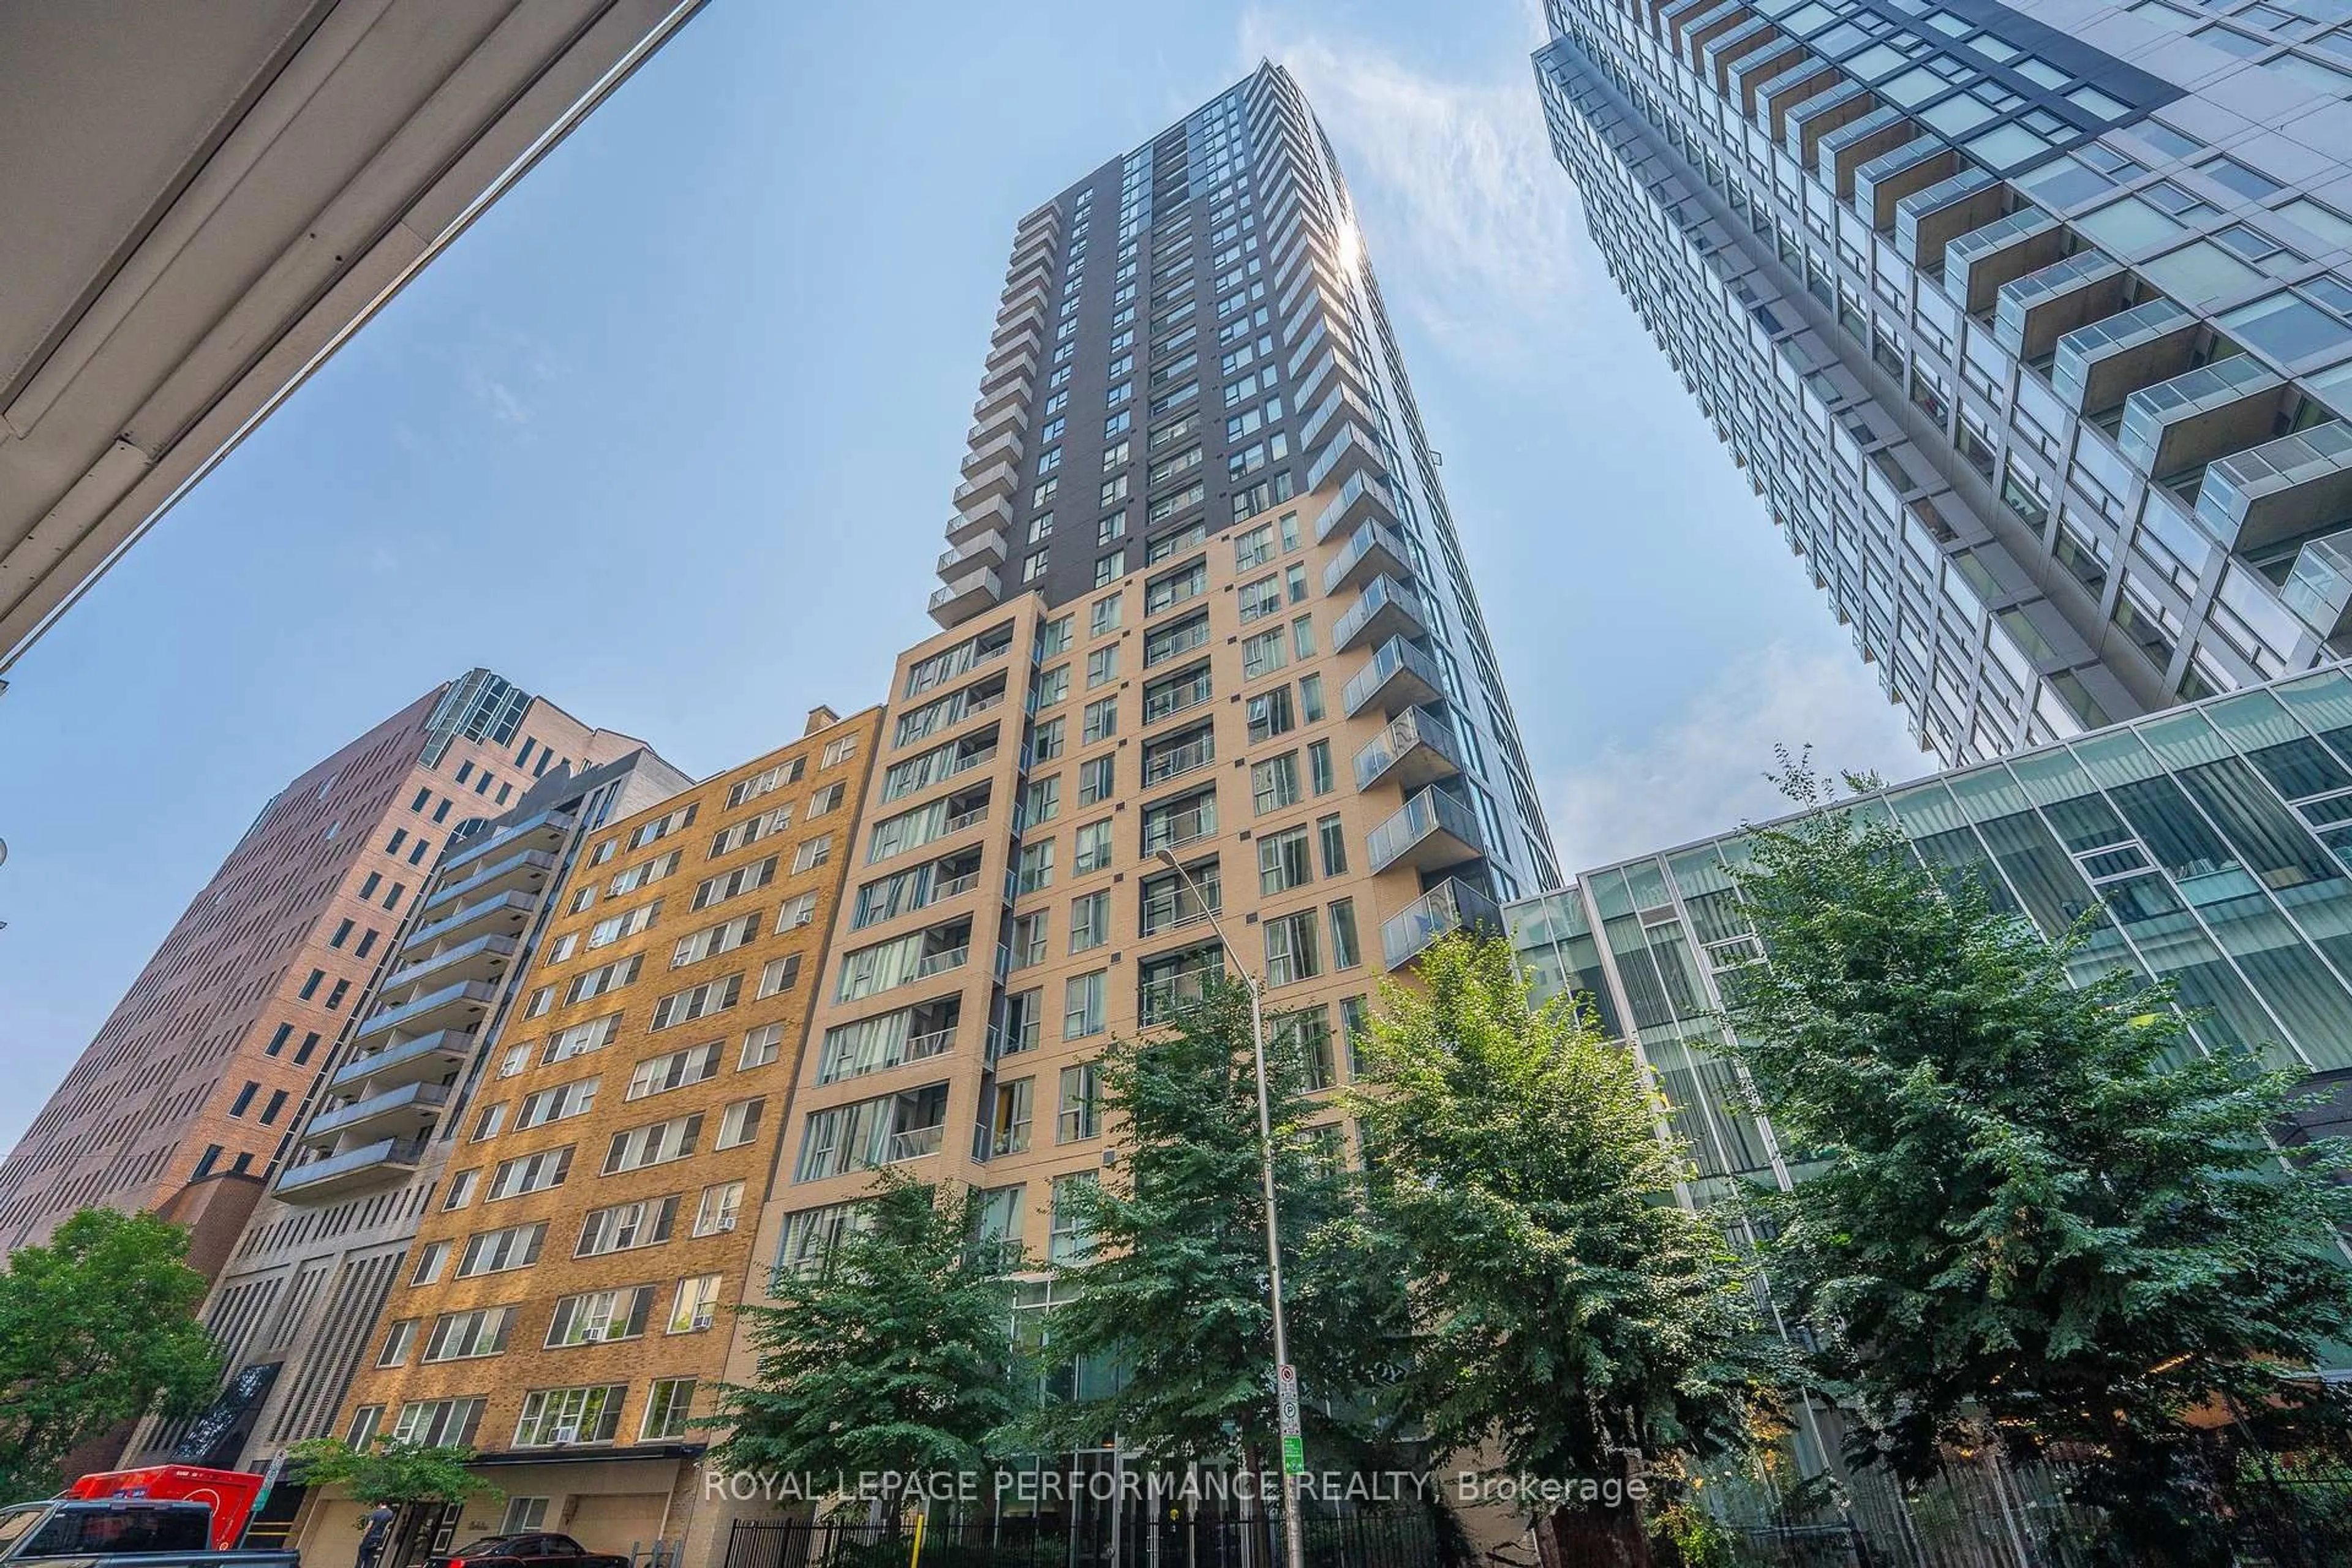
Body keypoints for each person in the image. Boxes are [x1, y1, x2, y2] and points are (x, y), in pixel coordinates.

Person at [355, 1504, 398, 1568]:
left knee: (362, 1557)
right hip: (379, 1539)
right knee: (371, 1558)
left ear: (380, 1504)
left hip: (370, 1538)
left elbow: (369, 1526)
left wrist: (363, 1537)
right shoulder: (390, 1514)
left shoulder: (376, 1513)